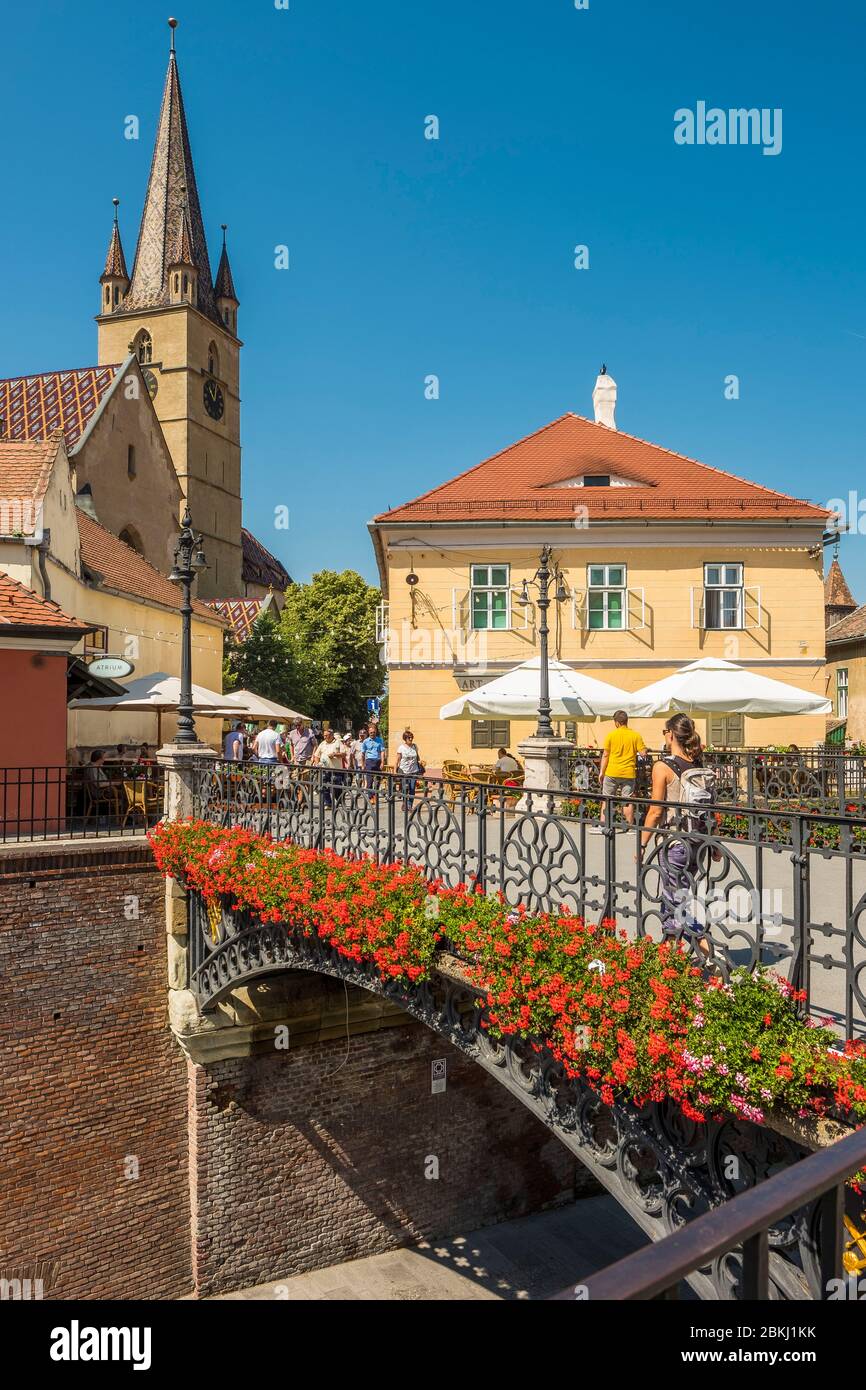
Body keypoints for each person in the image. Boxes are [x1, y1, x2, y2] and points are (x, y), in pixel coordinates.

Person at [640, 714, 719, 961]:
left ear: (670, 735)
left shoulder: (663, 767)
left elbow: (655, 810)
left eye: (665, 731)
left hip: (675, 842)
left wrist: (641, 843)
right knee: (673, 898)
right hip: (699, 841)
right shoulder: (700, 767)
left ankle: (711, 954)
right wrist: (715, 843)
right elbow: (713, 809)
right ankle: (668, 959)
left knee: (676, 902)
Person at [597, 710, 646, 830]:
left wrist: (601, 772)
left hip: (612, 772)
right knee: (627, 801)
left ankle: (603, 825)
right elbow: (643, 753)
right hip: (628, 773)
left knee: (607, 799)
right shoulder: (635, 735)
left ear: (617, 722)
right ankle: (629, 827)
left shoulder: (611, 735)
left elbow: (606, 755)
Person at [312, 726, 347, 807]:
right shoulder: (322, 743)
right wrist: (317, 764)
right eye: (324, 735)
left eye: (326, 735)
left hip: (336, 769)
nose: (324, 737)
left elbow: (344, 754)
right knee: (324, 786)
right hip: (324, 769)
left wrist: (335, 754)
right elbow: (316, 755)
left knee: (336, 787)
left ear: (331, 735)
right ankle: (328, 803)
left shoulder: (338, 742)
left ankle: (340, 801)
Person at [396, 729, 423, 808]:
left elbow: (417, 756)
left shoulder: (415, 746)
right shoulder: (401, 748)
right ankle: (404, 803)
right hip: (404, 771)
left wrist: (420, 761)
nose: (410, 739)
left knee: (412, 789)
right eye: (409, 738)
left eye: (411, 737)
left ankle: (410, 805)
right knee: (405, 788)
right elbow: (397, 760)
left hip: (414, 771)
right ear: (405, 739)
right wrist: (395, 771)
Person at [360, 724, 385, 792]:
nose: (372, 734)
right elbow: (362, 754)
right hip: (369, 761)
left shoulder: (380, 740)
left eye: (374, 732)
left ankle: (375, 794)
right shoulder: (365, 741)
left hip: (378, 761)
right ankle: (370, 796)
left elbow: (382, 752)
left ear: (376, 732)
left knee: (378, 780)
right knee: (369, 781)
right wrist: (362, 765)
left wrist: (382, 762)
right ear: (368, 732)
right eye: (371, 732)